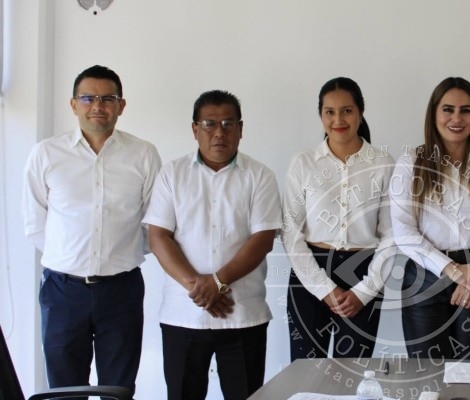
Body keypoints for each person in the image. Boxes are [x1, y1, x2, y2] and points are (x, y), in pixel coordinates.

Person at [21, 65, 161, 395]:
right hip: (63, 292)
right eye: (88, 98)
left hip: (121, 290)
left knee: (118, 388)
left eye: (107, 98)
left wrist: (119, 256)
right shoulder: (46, 153)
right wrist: (70, 257)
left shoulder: (143, 154)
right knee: (65, 389)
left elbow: (154, 221)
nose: (98, 106)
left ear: (121, 106)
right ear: (74, 104)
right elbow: (34, 223)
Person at [144, 90, 281, 400]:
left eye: (228, 124)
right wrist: (200, 288)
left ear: (241, 129)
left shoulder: (260, 176)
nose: (219, 132)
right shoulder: (172, 174)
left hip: (243, 314)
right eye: (209, 124)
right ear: (195, 129)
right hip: (183, 314)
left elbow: (263, 239)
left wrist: (218, 282)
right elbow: (159, 236)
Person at [390, 77, 470, 361]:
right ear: (434, 114)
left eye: (465, 110)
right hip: (425, 275)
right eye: (448, 109)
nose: (457, 119)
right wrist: (453, 270)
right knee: (427, 371)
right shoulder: (411, 162)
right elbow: (403, 230)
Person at [281, 77, 395, 361]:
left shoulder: (384, 163)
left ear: (360, 113)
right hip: (310, 273)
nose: (338, 120)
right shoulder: (303, 163)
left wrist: (364, 292)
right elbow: (291, 232)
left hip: (364, 273)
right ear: (320, 115)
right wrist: (324, 288)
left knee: (352, 374)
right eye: (329, 112)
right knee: (306, 372)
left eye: (347, 111)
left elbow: (392, 235)